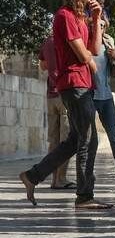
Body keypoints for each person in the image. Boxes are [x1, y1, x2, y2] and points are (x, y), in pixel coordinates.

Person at [19, 0, 109, 209]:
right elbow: (83, 56)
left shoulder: (80, 18)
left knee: (74, 140)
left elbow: (95, 50)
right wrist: (88, 57)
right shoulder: (64, 16)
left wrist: (96, 20)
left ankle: (33, 176)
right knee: (88, 140)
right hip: (73, 83)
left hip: (83, 82)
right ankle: (84, 196)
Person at [91, 12, 115, 177]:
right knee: (89, 136)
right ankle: (88, 169)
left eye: (103, 25)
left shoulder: (108, 43)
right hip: (89, 95)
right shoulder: (86, 43)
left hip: (106, 96)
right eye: (97, 25)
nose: (100, 28)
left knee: (113, 133)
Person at [39, 33, 72, 189]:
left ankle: (54, 179)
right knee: (66, 140)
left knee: (53, 141)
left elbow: (42, 65)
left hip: (51, 95)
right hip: (64, 93)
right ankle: (61, 179)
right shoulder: (66, 40)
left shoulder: (47, 41)